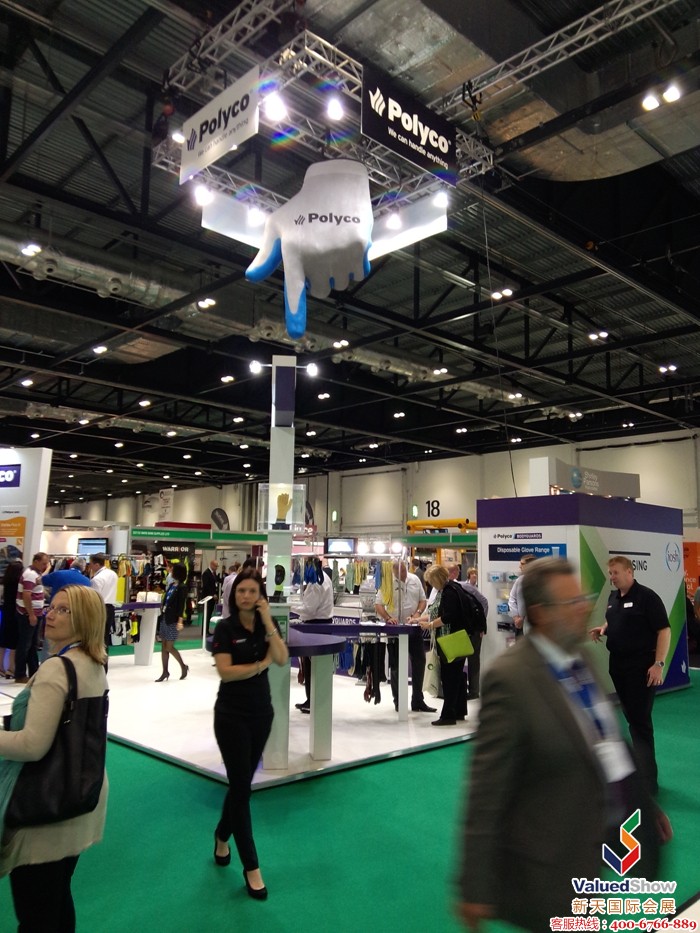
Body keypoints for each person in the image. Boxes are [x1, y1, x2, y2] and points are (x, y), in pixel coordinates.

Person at [457, 558, 672, 932]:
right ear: (541, 613)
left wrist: (641, 803)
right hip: (548, 865)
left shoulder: (580, 657)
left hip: (591, 847)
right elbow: (486, 789)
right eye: (571, 602)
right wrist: (474, 884)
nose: (584, 608)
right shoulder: (510, 679)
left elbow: (606, 741)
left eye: (582, 599)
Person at [0, 584, 109, 933]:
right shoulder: (94, 662)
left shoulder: (57, 668)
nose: (50, 615)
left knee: (37, 912)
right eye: (52, 607)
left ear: (85, 619)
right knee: (57, 895)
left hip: (46, 802)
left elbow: (32, 745)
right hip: (82, 791)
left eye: (64, 610)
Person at [211, 569, 288, 900]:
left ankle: (221, 835)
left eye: (252, 591)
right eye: (241, 590)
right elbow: (226, 673)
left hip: (261, 716)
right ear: (234, 594)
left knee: (240, 786)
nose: (245, 595)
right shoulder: (224, 628)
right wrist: (259, 665)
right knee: (242, 789)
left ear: (260, 595)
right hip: (231, 717)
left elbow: (282, 658)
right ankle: (252, 867)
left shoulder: (265, 626)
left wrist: (268, 619)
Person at [589, 556, 671, 795]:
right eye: (610, 573)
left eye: (615, 572)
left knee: (640, 723)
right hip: (618, 666)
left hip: (641, 667)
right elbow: (615, 618)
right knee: (631, 719)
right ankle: (638, 775)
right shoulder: (613, 597)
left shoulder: (648, 597)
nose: (612, 577)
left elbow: (664, 630)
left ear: (629, 572)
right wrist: (603, 628)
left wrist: (658, 664)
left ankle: (648, 782)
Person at [375, 561, 433, 713]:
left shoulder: (414, 579)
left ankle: (418, 700)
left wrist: (417, 614)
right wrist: (388, 618)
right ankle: (399, 701)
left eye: (404, 571)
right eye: (400, 572)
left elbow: (422, 600)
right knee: (396, 666)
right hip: (395, 629)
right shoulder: (386, 583)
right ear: (393, 571)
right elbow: (378, 604)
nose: (403, 575)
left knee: (419, 661)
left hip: (413, 628)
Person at [421, 565, 470, 725]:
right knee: (457, 677)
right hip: (456, 638)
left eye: (431, 581)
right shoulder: (454, 588)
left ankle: (448, 715)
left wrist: (430, 625)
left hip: (449, 639)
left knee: (449, 678)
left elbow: (447, 616)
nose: (431, 585)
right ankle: (458, 711)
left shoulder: (448, 592)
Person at [295, 558, 334, 713]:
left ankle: (314, 702)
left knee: (313, 667)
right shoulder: (323, 578)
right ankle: (312, 700)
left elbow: (309, 610)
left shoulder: (316, 582)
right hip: (320, 625)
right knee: (314, 667)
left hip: (316, 626)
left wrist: (289, 607)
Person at [447, 565, 488, 700]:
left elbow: (484, 602)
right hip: (461, 629)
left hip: (474, 629)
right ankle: (461, 689)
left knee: (473, 659)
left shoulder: (465, 587)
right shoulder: (449, 588)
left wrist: (481, 625)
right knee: (460, 658)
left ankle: (474, 691)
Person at [14, 552, 50, 684]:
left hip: (34, 614)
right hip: (28, 615)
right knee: (25, 645)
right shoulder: (30, 575)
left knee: (32, 645)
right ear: (36, 561)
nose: (45, 566)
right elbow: (26, 595)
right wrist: (31, 614)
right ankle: (20, 674)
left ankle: (34, 672)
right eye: (43, 563)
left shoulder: (35, 573)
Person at [155, 562, 189, 682]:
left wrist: (180, 620)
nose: (171, 571)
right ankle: (165, 671)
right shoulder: (172, 585)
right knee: (163, 646)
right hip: (165, 617)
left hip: (173, 620)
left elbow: (181, 605)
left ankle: (183, 666)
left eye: (173, 570)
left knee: (169, 646)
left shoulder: (182, 587)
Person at [88, 554, 118, 662]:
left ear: (96, 564)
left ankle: (97, 662)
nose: (89, 566)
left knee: (97, 638)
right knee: (105, 638)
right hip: (110, 608)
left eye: (91, 564)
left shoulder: (97, 579)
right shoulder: (113, 574)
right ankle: (104, 664)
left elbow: (94, 598)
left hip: (99, 608)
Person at [0, 561, 23, 679]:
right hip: (16, 612)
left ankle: (1, 668)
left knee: (3, 640)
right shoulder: (19, 583)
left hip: (6, 611)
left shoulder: (5, 581)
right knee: (14, 642)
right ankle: (11, 668)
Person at [507, 553, 536, 635]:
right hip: (519, 624)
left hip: (532, 624)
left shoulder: (538, 580)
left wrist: (522, 618)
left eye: (522, 564)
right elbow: (512, 598)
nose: (520, 566)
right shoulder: (519, 580)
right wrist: (516, 617)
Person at [201, 559, 219, 629]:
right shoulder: (206, 573)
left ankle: (207, 630)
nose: (216, 568)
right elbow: (206, 586)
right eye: (216, 566)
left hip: (212, 597)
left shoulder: (213, 573)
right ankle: (205, 630)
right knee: (207, 614)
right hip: (207, 597)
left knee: (209, 614)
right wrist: (212, 594)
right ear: (211, 565)